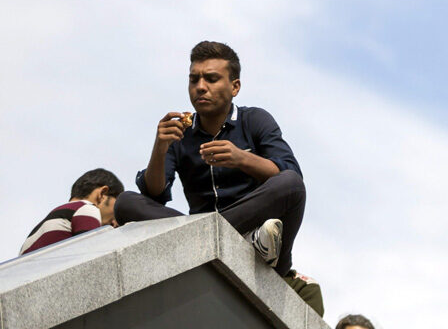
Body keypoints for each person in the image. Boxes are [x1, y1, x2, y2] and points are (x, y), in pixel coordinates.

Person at [114, 41, 306, 276]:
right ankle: (206, 235)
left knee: (291, 184)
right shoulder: (180, 133)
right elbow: (155, 194)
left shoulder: (255, 120)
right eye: (194, 79)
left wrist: (241, 159)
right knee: (125, 202)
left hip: (262, 239)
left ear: (234, 87)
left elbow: (290, 173)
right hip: (198, 233)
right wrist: (160, 148)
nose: (200, 87)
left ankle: (236, 238)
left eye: (211, 79)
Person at [20, 168, 124, 255]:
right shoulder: (87, 209)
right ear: (102, 194)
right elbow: (92, 258)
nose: (115, 223)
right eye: (117, 209)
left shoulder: (34, 233)